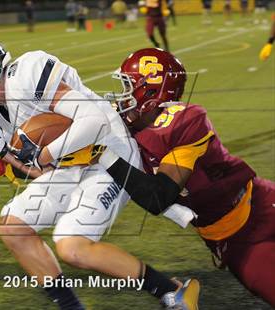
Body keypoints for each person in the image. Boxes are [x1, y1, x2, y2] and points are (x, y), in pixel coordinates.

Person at [0, 30, 200, 310]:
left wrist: (42, 153)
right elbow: (38, 168)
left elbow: (94, 121)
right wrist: (7, 155)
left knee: (72, 246)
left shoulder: (25, 73)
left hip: (109, 153)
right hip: (71, 163)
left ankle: (172, 291)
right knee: (13, 227)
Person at [98, 48, 275, 307]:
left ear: (151, 92)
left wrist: (102, 155)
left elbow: (158, 197)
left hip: (262, 206)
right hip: (231, 239)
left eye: (128, 86)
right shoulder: (123, 128)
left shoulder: (184, 121)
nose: (122, 96)